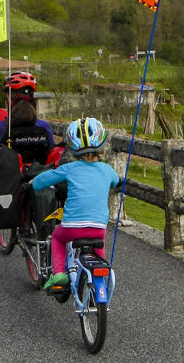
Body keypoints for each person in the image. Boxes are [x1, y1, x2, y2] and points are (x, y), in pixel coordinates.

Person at [27, 117, 121, 291]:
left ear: (71, 147)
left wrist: (34, 182)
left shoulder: (69, 168)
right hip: (98, 227)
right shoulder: (107, 170)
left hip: (72, 227)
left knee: (57, 237)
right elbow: (117, 181)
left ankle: (59, 274)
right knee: (98, 243)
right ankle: (102, 275)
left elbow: (43, 181)